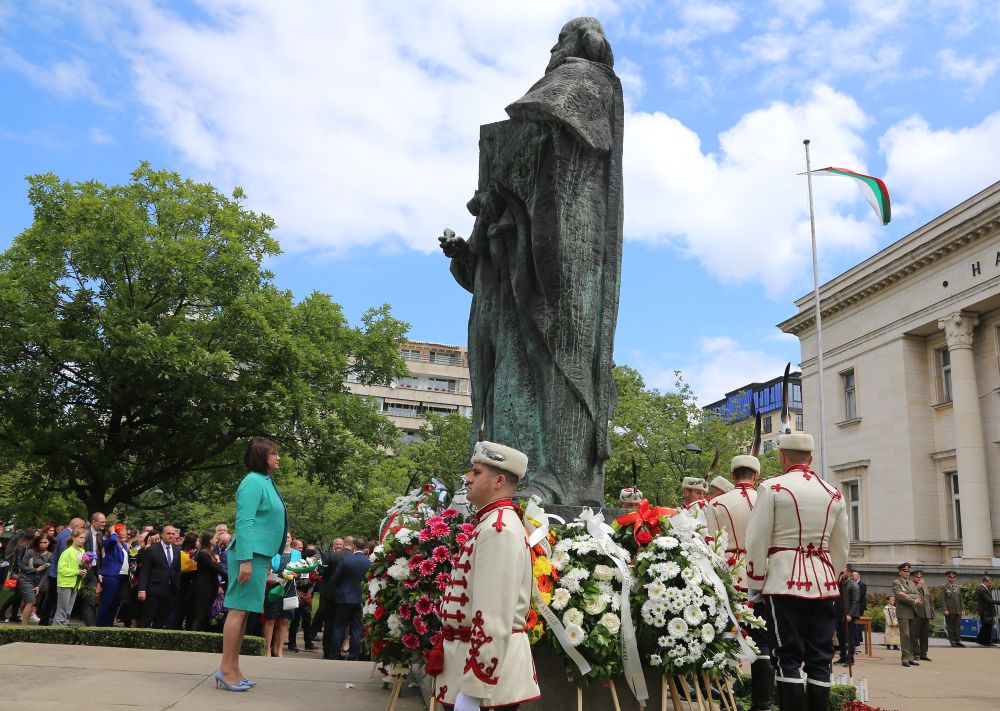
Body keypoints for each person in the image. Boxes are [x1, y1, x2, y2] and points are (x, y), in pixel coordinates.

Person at [438, 17, 623, 507]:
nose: (553, 47)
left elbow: (537, 120)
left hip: (559, 260)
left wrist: (505, 182)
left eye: (561, 38)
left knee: (551, 371)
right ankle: (508, 473)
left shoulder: (585, 78)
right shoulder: (504, 204)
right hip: (512, 279)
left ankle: (550, 476)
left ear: (580, 43)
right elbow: (475, 269)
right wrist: (474, 243)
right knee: (507, 382)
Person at [744, 431, 848, 711]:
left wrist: (755, 581)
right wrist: (831, 577)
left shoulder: (772, 488)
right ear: (811, 458)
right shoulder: (833, 493)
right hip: (825, 583)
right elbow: (841, 547)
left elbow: (756, 539)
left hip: (784, 580)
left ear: (782, 457)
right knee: (820, 656)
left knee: (787, 655)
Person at [434, 441, 540, 711]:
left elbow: (492, 616)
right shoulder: (492, 522)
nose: (467, 478)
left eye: (476, 472)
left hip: (486, 684)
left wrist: (475, 688)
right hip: (472, 670)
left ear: (499, 480)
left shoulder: (498, 529)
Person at [216, 437, 287, 692]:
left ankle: (233, 667)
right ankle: (226, 668)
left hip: (258, 556)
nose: (278, 457)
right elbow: (244, 522)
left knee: (244, 611)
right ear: (260, 456)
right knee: (238, 610)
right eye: (274, 453)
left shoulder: (263, 481)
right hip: (249, 555)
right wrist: (246, 559)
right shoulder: (252, 482)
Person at [705, 451, 773, 711]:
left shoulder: (717, 503)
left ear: (733, 476)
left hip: (729, 579)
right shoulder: (766, 500)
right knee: (762, 641)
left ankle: (728, 702)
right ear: (755, 476)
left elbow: (710, 547)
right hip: (761, 577)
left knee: (728, 639)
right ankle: (763, 703)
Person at [328, 537, 371, 661]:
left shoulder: (346, 560)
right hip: (361, 598)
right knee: (357, 628)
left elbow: (335, 579)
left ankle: (334, 654)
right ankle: (354, 655)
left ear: (353, 546)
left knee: (339, 627)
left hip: (344, 597)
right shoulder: (369, 562)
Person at [37, 517, 84, 626]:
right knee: (58, 603)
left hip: (56, 572)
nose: (82, 530)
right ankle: (50, 623)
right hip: (59, 574)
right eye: (81, 527)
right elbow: (65, 556)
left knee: (52, 600)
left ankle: (46, 621)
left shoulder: (63, 535)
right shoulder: (66, 537)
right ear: (75, 526)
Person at [263, 531, 301, 657]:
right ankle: (267, 649)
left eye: (288, 537)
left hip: (289, 589)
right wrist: (278, 579)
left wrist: (297, 574)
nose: (286, 539)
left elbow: (300, 572)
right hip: (274, 588)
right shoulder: (273, 552)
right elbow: (267, 572)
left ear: (292, 539)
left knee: (285, 620)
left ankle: (279, 650)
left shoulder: (297, 554)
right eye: (284, 537)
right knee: (271, 619)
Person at [137, 525, 181, 628]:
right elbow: (144, 571)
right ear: (162, 534)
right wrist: (142, 589)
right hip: (153, 590)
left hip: (170, 591)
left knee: (162, 620)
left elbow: (177, 570)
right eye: (168, 533)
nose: (171, 536)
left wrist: (177, 585)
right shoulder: (152, 550)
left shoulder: (176, 550)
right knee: (147, 618)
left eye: (173, 533)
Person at [320, 536, 351, 659]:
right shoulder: (351, 557)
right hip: (343, 594)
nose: (338, 546)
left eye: (340, 544)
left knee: (329, 623)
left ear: (343, 545)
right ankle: (334, 651)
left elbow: (324, 575)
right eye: (336, 544)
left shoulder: (330, 556)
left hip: (331, 594)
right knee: (339, 624)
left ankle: (327, 651)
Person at [53, 528, 88, 625]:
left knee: (68, 612)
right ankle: (55, 632)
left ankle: (63, 631)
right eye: (80, 537)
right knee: (62, 611)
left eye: (84, 538)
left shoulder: (82, 551)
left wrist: (84, 570)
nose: (83, 540)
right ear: (73, 538)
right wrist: (77, 571)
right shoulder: (67, 552)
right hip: (65, 584)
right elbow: (61, 569)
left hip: (76, 584)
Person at [97, 523, 130, 626]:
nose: (125, 532)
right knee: (108, 601)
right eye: (123, 530)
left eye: (125, 530)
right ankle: (100, 625)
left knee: (115, 603)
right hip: (112, 575)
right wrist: (113, 532)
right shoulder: (111, 542)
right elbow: (111, 541)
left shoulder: (124, 544)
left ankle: (108, 625)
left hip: (122, 576)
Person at [191, 531, 223, 632]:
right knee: (201, 613)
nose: (216, 540)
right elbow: (215, 568)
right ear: (210, 540)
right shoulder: (203, 554)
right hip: (204, 588)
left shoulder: (210, 552)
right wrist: (218, 562)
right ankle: (193, 637)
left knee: (207, 614)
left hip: (211, 586)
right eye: (215, 538)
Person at [18, 533, 53, 625]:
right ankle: (23, 626)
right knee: (31, 601)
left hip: (38, 582)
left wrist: (39, 586)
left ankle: (22, 618)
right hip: (26, 579)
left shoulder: (50, 555)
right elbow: (22, 566)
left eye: (45, 542)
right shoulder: (31, 552)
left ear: (49, 543)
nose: (42, 544)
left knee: (30, 602)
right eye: (41, 542)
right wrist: (36, 570)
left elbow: (46, 574)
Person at [891, 562, 922, 666]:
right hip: (903, 612)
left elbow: (918, 596)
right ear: (900, 572)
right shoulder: (897, 583)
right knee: (906, 635)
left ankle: (911, 657)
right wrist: (913, 599)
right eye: (905, 571)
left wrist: (908, 595)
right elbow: (900, 596)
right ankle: (904, 658)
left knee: (913, 636)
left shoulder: (912, 583)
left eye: (908, 571)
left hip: (913, 611)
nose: (907, 573)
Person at [79, 512, 107, 626]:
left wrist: (99, 573)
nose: (104, 523)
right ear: (94, 522)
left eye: (105, 521)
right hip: (81, 570)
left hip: (93, 572)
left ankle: (91, 627)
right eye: (102, 521)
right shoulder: (85, 534)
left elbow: (99, 556)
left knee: (90, 600)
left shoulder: (100, 535)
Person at [837, 569, 860, 666]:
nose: (842, 574)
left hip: (848, 615)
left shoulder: (853, 585)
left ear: (849, 573)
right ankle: (842, 657)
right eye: (841, 572)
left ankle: (850, 659)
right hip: (839, 614)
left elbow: (855, 601)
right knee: (840, 636)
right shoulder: (840, 584)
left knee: (849, 637)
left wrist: (850, 614)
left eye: (845, 572)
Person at [911, 570, 932, 661]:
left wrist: (931, 611)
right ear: (913, 577)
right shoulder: (910, 586)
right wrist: (919, 586)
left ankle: (924, 653)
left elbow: (928, 600)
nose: (919, 579)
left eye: (921, 577)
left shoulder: (925, 586)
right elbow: (911, 595)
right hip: (916, 613)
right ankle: (916, 653)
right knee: (915, 635)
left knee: (924, 635)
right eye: (917, 577)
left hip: (925, 613)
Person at [942, 570, 965, 647]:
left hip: (957, 609)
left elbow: (960, 599)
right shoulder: (944, 587)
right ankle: (952, 641)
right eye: (950, 577)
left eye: (953, 577)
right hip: (949, 610)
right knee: (950, 626)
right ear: (947, 577)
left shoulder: (957, 587)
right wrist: (945, 609)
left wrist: (963, 609)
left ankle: (958, 640)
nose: (952, 579)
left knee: (957, 626)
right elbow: (942, 599)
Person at [975, 575, 995, 646]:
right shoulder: (982, 590)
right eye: (990, 583)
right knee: (987, 627)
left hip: (986, 611)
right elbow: (989, 600)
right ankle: (986, 641)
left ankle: (982, 640)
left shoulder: (984, 589)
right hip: (985, 612)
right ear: (985, 582)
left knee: (986, 627)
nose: (991, 584)